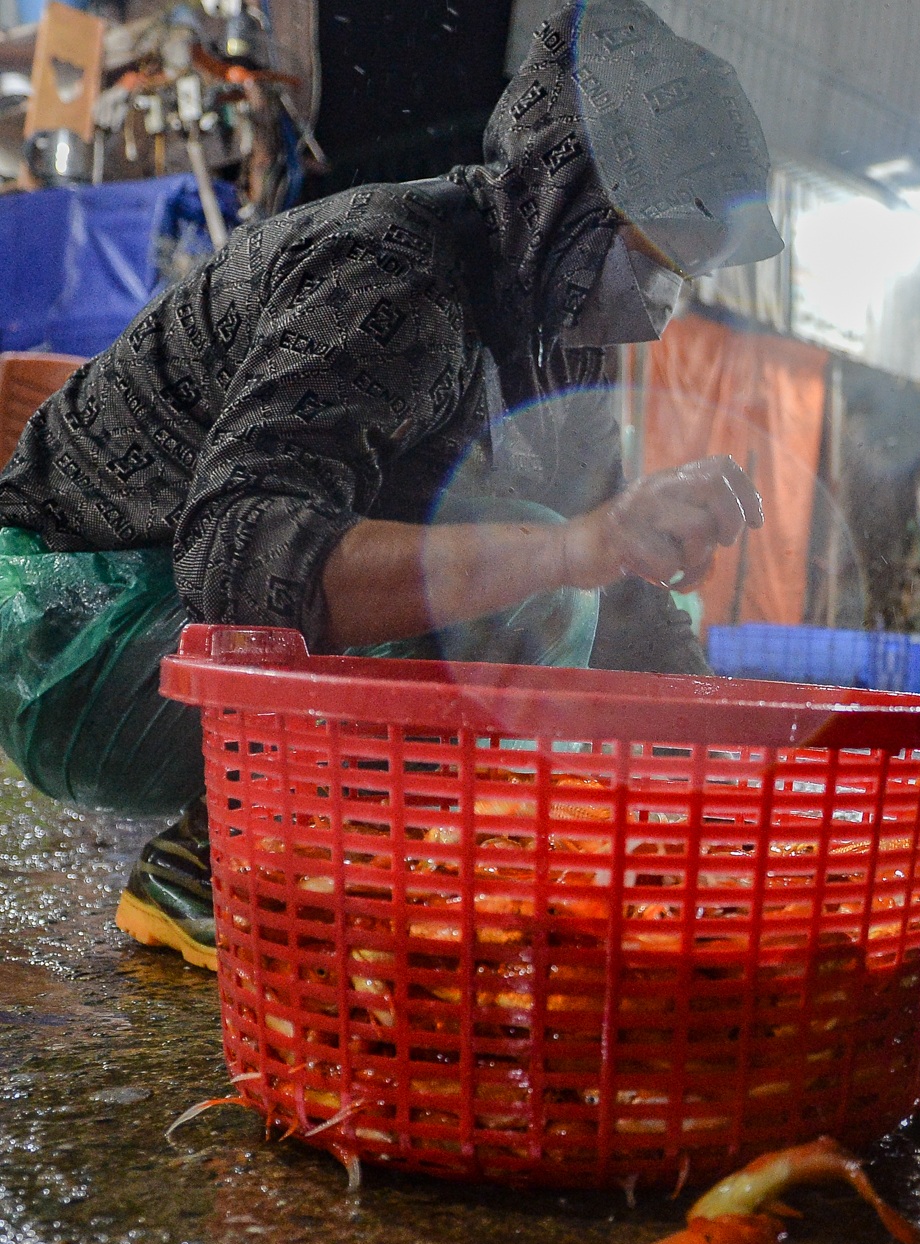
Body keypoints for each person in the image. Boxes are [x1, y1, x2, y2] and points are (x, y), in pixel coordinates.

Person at [0, 0, 781, 969]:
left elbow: (620, 585)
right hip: (71, 621)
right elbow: (237, 557)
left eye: (683, 275)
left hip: (169, 613)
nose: (661, 303)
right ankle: (220, 862)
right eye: (652, 256)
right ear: (568, 197)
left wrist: (726, 780)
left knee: (543, 572)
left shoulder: (564, 338)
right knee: (523, 582)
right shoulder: (394, 274)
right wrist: (568, 550)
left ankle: (315, 840)